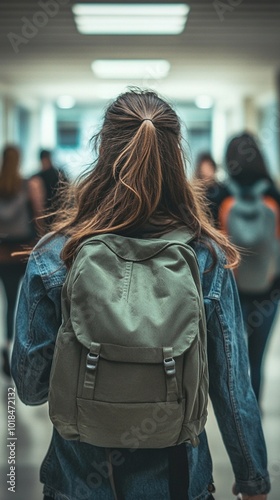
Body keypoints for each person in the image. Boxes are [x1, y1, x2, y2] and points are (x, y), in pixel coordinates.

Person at [11, 90, 270, 500]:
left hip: (77, 478)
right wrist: (253, 479)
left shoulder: (56, 256)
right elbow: (232, 385)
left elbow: (30, 387)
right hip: (177, 480)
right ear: (175, 159)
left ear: (102, 151)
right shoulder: (204, 258)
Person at [217, 132, 280, 405]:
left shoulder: (219, 194)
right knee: (258, 360)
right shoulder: (273, 193)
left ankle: (240, 415)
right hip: (269, 290)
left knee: (234, 360)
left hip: (232, 290)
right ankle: (256, 412)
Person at [0, 145, 37, 377]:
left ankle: (6, 345)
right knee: (24, 301)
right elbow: (39, 218)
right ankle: (19, 348)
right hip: (22, 250)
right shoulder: (27, 185)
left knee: (8, 300)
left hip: (1, 251)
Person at [29, 149, 67, 232]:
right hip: (60, 214)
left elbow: (37, 204)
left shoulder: (36, 177)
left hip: (44, 215)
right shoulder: (60, 174)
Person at [194, 152, 228, 227]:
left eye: (209, 168)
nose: (207, 172)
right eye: (204, 168)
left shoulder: (222, 189)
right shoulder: (196, 192)